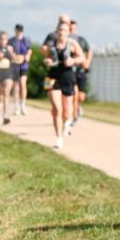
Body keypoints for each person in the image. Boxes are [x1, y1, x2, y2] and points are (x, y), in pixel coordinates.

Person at [43, 21, 86, 149]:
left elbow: (82, 58)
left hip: (67, 76)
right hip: (52, 77)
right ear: (57, 31)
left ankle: (67, 123)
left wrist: (73, 60)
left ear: (68, 33)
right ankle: (59, 138)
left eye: (64, 30)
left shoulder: (72, 44)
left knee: (67, 110)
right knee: (57, 108)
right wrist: (47, 61)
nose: (62, 33)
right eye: (60, 30)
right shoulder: (51, 45)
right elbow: (46, 58)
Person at [69, 19, 92, 122]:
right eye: (70, 28)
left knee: (81, 96)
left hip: (81, 70)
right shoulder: (65, 41)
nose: (71, 30)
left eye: (73, 28)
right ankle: (74, 116)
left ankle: (78, 106)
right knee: (75, 93)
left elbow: (89, 51)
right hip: (71, 71)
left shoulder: (82, 40)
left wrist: (87, 62)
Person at [8, 23, 32, 115]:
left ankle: (23, 104)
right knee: (16, 86)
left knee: (22, 83)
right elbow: (9, 50)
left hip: (24, 65)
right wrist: (14, 56)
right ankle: (16, 105)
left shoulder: (26, 40)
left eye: (20, 31)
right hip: (15, 65)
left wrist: (27, 56)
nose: (19, 32)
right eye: (17, 30)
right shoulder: (12, 40)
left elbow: (29, 50)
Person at [0, 31, 15, 124]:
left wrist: (11, 53)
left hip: (8, 73)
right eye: (1, 39)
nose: (3, 41)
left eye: (5, 39)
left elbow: (14, 59)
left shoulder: (10, 48)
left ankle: (5, 116)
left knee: (6, 93)